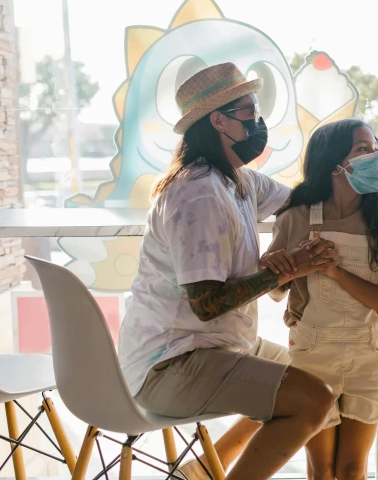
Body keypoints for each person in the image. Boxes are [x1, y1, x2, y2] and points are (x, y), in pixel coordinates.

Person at [116, 62, 338, 480]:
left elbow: (302, 201)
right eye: (250, 111)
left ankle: (198, 472)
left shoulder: (238, 180)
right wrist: (284, 272)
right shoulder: (198, 195)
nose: (259, 121)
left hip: (214, 346)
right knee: (310, 400)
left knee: (314, 376)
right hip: (170, 364)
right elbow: (207, 303)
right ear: (219, 120)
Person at [263, 119, 378, 480]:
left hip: (368, 353)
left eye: (375, 148)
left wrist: (335, 270)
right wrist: (289, 264)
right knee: (321, 468)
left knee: (352, 468)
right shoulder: (295, 218)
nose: (375, 157)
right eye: (363, 149)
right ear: (333, 162)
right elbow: (276, 292)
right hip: (312, 353)